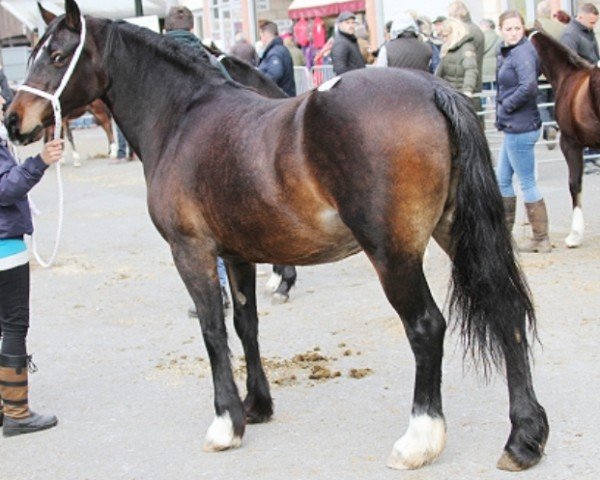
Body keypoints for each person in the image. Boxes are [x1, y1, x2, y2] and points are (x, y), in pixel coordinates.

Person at [0, 95, 62, 436]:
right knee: (13, 326)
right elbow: (6, 188)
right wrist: (39, 162)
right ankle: (17, 411)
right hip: (4, 247)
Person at [495, 10, 551, 253]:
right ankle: (505, 239)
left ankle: (541, 238)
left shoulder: (523, 52)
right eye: (508, 29)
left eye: (517, 28)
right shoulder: (511, 52)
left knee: (526, 181)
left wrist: (506, 106)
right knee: (502, 179)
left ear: (523, 29)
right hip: (513, 126)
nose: (513, 32)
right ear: (501, 30)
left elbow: (528, 86)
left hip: (521, 126)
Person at [560, 3, 600, 172]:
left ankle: (594, 154)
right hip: (580, 85)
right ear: (581, 17)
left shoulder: (587, 32)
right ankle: (588, 158)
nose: (594, 26)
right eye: (591, 23)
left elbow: (595, 53)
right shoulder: (570, 35)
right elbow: (570, 61)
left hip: (592, 81)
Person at [448, 1, 484, 115]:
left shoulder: (465, 32)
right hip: (472, 83)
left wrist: (467, 89)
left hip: (465, 85)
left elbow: (470, 65)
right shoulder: (475, 29)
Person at [535, 1, 563, 150]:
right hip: (556, 74)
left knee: (540, 104)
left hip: (540, 73)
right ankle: (553, 126)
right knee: (553, 102)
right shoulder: (560, 27)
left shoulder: (533, 28)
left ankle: (549, 127)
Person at [435, 18, 478, 101]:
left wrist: (468, 90)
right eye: (442, 36)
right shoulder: (448, 49)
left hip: (459, 95)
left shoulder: (466, 48)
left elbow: (471, 70)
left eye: (446, 36)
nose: (444, 39)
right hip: (450, 93)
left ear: (454, 33)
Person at [258, 20, 296, 97]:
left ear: (265, 34)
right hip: (283, 99)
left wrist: (259, 85)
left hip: (279, 101)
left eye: (261, 36)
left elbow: (275, 73)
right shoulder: (280, 49)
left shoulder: (275, 52)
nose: (261, 39)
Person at [480, 19, 501, 91]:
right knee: (497, 91)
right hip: (497, 67)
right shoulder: (500, 38)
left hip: (484, 68)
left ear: (486, 26)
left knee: (484, 92)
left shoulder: (481, 39)